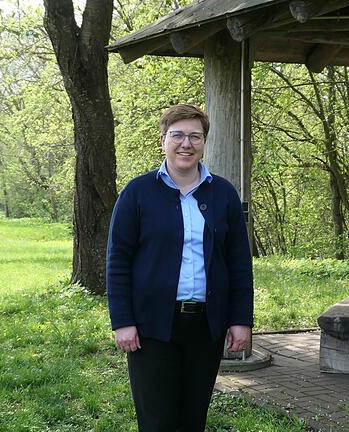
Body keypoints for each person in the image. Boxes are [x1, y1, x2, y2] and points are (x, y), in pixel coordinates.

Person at [106, 104, 254, 431]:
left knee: (193, 418)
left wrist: (241, 320)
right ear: (163, 140)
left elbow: (239, 263)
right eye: (177, 135)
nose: (186, 143)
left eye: (194, 136)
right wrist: (123, 321)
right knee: (157, 420)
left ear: (203, 143)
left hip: (206, 326)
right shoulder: (137, 193)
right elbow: (118, 261)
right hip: (152, 327)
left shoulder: (224, 194)